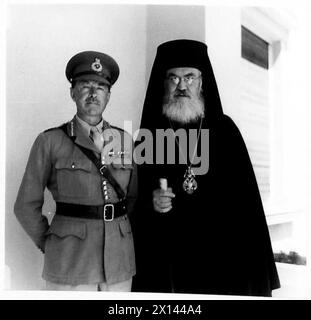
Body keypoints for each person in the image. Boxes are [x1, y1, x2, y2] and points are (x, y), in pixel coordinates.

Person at [132, 39, 280, 296]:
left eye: (189, 77)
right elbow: (133, 198)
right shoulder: (149, 135)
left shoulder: (225, 130)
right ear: (163, 83)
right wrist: (151, 201)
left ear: (202, 82)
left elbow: (248, 204)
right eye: (173, 78)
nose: (181, 86)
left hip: (221, 258)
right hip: (169, 261)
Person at [14, 51, 137, 291]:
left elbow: (132, 198)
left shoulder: (124, 140)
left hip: (118, 261)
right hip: (70, 261)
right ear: (72, 92)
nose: (93, 94)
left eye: (101, 87)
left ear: (109, 95)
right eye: (85, 86)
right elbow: (25, 205)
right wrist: (53, 244)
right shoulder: (50, 141)